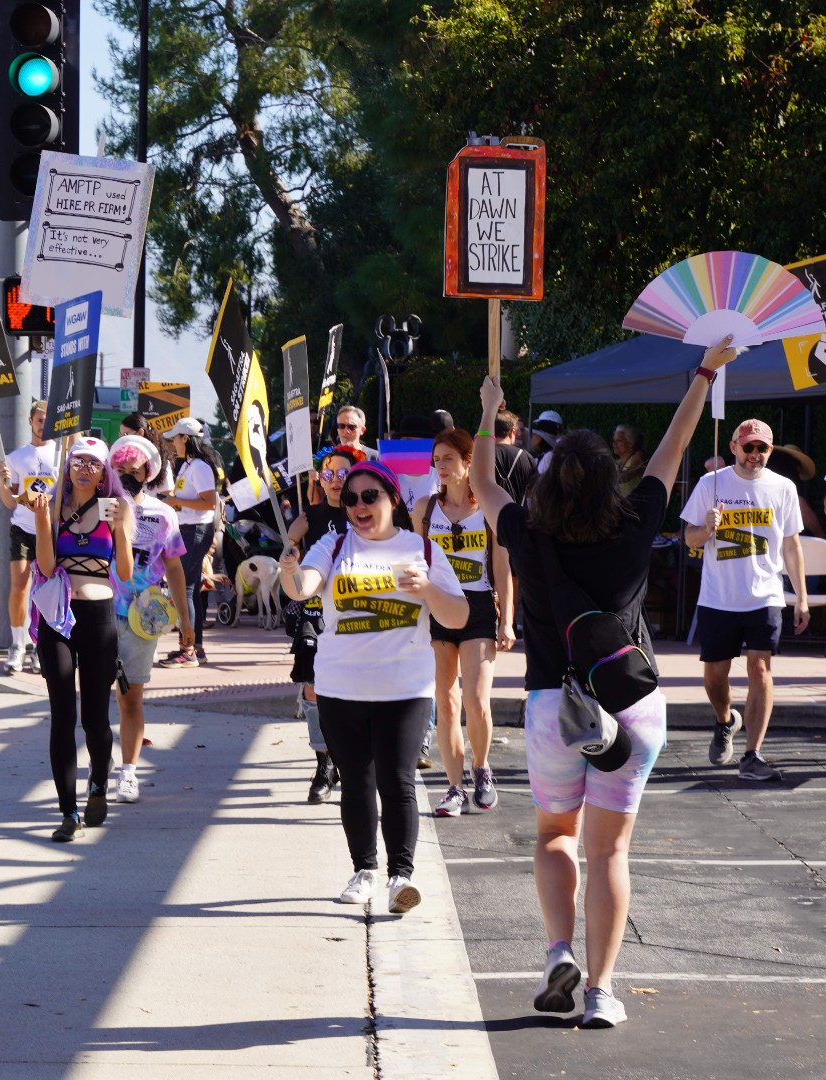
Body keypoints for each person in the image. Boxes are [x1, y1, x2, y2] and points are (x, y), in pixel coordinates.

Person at [471, 338, 739, 1029]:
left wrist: (489, 412)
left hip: (553, 706)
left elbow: (482, 480)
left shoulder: (525, 533)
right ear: (607, 480)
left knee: (555, 836)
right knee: (610, 849)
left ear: (549, 484)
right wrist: (704, 373)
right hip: (631, 702)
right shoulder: (635, 521)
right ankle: (601, 992)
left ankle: (557, 950)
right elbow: (673, 447)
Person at [279, 461, 469, 915]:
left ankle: (401, 878)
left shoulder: (421, 548)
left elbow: (459, 616)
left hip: (405, 688)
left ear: (392, 499)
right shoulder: (334, 544)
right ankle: (364, 870)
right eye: (350, 499)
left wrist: (428, 590)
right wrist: (289, 569)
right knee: (356, 782)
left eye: (369, 497)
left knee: (397, 780)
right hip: (340, 686)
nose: (359, 506)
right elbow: (304, 587)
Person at [681, 417, 808, 781]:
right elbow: (689, 538)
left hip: (765, 595)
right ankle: (725, 721)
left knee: (760, 670)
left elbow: (791, 545)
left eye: (762, 447)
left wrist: (800, 597)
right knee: (714, 677)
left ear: (770, 450)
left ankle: (753, 755)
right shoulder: (711, 484)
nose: (754, 454)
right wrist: (707, 528)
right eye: (748, 446)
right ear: (734, 447)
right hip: (718, 598)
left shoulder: (782, 487)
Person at [28, 435, 134, 841]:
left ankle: (98, 785)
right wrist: (43, 520)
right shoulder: (53, 505)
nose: (85, 469)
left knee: (94, 716)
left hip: (99, 615)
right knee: (62, 715)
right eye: (78, 461)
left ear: (105, 471)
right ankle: (67, 812)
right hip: (58, 618)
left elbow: (124, 573)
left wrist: (120, 528)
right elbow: (46, 565)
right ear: (68, 466)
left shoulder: (115, 506)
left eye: (93, 463)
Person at [412, 429, 515, 816]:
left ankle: (481, 768)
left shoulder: (487, 509)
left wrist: (507, 620)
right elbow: (415, 559)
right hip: (439, 606)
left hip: (478, 606)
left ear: (468, 462)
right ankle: (454, 787)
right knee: (446, 701)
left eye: (448, 459)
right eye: (436, 459)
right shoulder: (425, 509)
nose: (440, 466)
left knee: (475, 698)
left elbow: (503, 567)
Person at [107, 435, 194, 802]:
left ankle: (128, 771)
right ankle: (100, 764)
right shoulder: (99, 508)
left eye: (134, 469)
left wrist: (185, 620)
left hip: (141, 618)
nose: (127, 474)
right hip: (97, 612)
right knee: (94, 698)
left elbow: (174, 568)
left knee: (130, 698)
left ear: (148, 472)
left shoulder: (163, 514)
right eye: (120, 469)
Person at [286, 444, 365, 802]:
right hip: (315, 612)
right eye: (328, 473)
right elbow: (289, 558)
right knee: (312, 687)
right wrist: (291, 545)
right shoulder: (309, 517)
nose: (335, 480)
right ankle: (324, 764)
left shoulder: (364, 516)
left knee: (353, 691)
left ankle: (352, 759)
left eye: (343, 473)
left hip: (355, 614)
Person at [0, 400, 57, 675]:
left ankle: (39, 646)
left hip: (51, 530)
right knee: (20, 585)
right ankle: (17, 644)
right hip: (22, 528)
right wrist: (2, 482)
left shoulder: (62, 454)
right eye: (39, 419)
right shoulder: (16, 457)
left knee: (45, 589)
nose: (43, 424)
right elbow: (9, 501)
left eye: (47, 419)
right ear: (30, 421)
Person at [158, 417, 218, 666]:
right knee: (189, 589)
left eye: (175, 438)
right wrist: (173, 501)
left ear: (185, 438)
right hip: (189, 530)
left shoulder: (200, 466)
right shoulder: (189, 465)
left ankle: (189, 650)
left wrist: (176, 502)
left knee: (186, 589)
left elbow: (210, 503)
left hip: (196, 531)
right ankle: (195, 647)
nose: (173, 442)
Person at [119, 412, 174, 495]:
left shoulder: (159, 460)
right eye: (121, 435)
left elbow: (167, 493)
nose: (122, 439)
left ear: (140, 433)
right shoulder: (121, 459)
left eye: (125, 434)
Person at [494, 408, 536, 506]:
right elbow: (534, 491)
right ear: (512, 431)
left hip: (487, 514)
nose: (519, 434)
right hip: (519, 512)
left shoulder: (481, 455)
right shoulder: (525, 457)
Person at [612, 424, 647, 496]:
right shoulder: (616, 462)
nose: (614, 444)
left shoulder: (638, 456)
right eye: (614, 440)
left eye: (619, 440)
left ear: (630, 443)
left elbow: (627, 476)